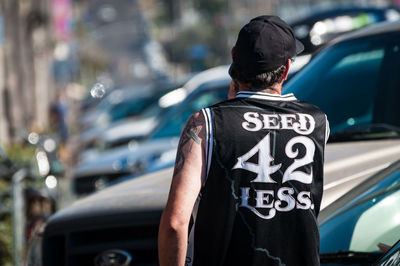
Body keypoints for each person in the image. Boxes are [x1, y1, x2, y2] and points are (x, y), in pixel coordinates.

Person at [159, 15, 330, 266]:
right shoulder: (317, 122)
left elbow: (175, 223)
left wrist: (232, 102)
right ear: (285, 68)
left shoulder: (207, 123)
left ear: (233, 58)